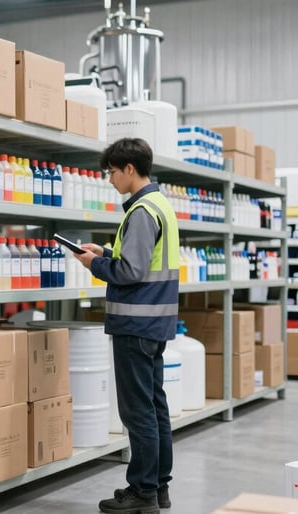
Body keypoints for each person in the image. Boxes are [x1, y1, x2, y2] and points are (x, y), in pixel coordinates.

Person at [73, 138, 179, 514]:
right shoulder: (160, 204)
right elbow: (142, 261)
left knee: (138, 411)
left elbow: (130, 272)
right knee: (154, 405)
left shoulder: (142, 211)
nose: (111, 179)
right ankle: (159, 487)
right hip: (155, 322)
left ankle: (142, 492)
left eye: (113, 172)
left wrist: (94, 264)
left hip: (136, 323)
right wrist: (106, 253)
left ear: (130, 169)